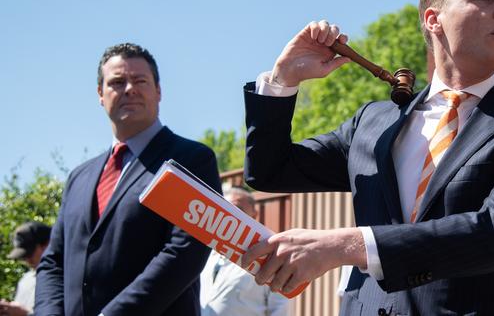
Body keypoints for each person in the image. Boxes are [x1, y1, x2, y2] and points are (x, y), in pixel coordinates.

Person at [241, 0, 494, 315]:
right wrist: (282, 80)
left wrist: (343, 245)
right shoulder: (372, 123)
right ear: (434, 20)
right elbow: (268, 170)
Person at [35, 43, 221, 316]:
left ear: (159, 91)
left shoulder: (191, 160)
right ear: (100, 93)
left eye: (140, 80)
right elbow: (53, 262)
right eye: (117, 82)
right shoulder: (78, 177)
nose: (129, 89)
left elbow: (185, 251)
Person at [199, 186, 290, 316]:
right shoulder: (206, 252)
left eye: (238, 209)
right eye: (226, 208)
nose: (230, 214)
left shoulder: (269, 256)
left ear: (254, 214)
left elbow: (280, 308)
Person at [0, 222, 51, 316]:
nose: (27, 260)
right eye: (23, 257)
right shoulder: (25, 281)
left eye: (29, 254)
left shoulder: (65, 279)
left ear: (47, 245)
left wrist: (26, 314)